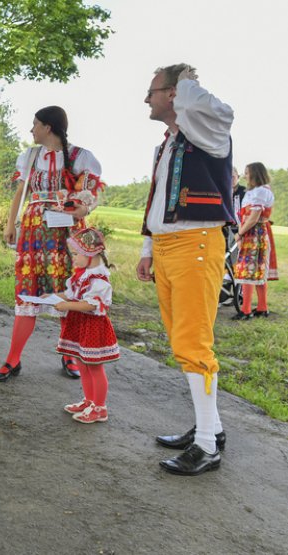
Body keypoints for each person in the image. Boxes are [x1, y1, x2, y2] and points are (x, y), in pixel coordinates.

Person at [136, 64, 234, 475]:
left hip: (195, 245)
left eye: (153, 91)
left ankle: (208, 446)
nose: (147, 99)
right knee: (183, 341)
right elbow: (157, 197)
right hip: (168, 247)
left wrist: (187, 82)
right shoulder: (168, 145)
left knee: (193, 344)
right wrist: (146, 247)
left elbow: (222, 111)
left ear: (174, 94)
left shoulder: (209, 133)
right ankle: (210, 428)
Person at [0, 106, 104, 382]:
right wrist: (11, 224)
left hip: (66, 234)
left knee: (67, 290)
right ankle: (13, 358)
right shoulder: (30, 156)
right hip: (34, 234)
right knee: (27, 290)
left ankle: (69, 354)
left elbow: (91, 192)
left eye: (35, 125)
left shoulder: (81, 156)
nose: (31, 130)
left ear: (48, 128)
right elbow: (21, 193)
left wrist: (82, 209)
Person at [54, 228, 119, 424]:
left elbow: (91, 304)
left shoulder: (98, 279)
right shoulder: (82, 275)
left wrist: (66, 305)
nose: (72, 258)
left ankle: (100, 407)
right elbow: (73, 294)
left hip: (92, 327)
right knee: (82, 363)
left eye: (75, 254)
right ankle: (89, 400)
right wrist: (53, 297)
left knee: (94, 366)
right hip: (81, 325)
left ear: (90, 255)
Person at [231, 162, 278, 320]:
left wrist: (240, 233)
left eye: (247, 172)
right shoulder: (262, 190)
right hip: (256, 232)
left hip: (253, 233)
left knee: (248, 270)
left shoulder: (259, 191)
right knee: (257, 270)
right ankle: (262, 307)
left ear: (255, 174)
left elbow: (253, 218)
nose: (245, 175)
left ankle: (245, 310)